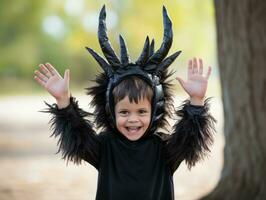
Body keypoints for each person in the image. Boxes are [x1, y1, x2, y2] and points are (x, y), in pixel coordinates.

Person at [34, 5, 216, 200]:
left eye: (141, 112)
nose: (133, 119)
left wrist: (196, 102)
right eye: (124, 112)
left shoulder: (163, 149)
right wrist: (64, 101)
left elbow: (190, 142)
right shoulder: (105, 147)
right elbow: (79, 139)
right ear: (111, 111)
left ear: (155, 111)